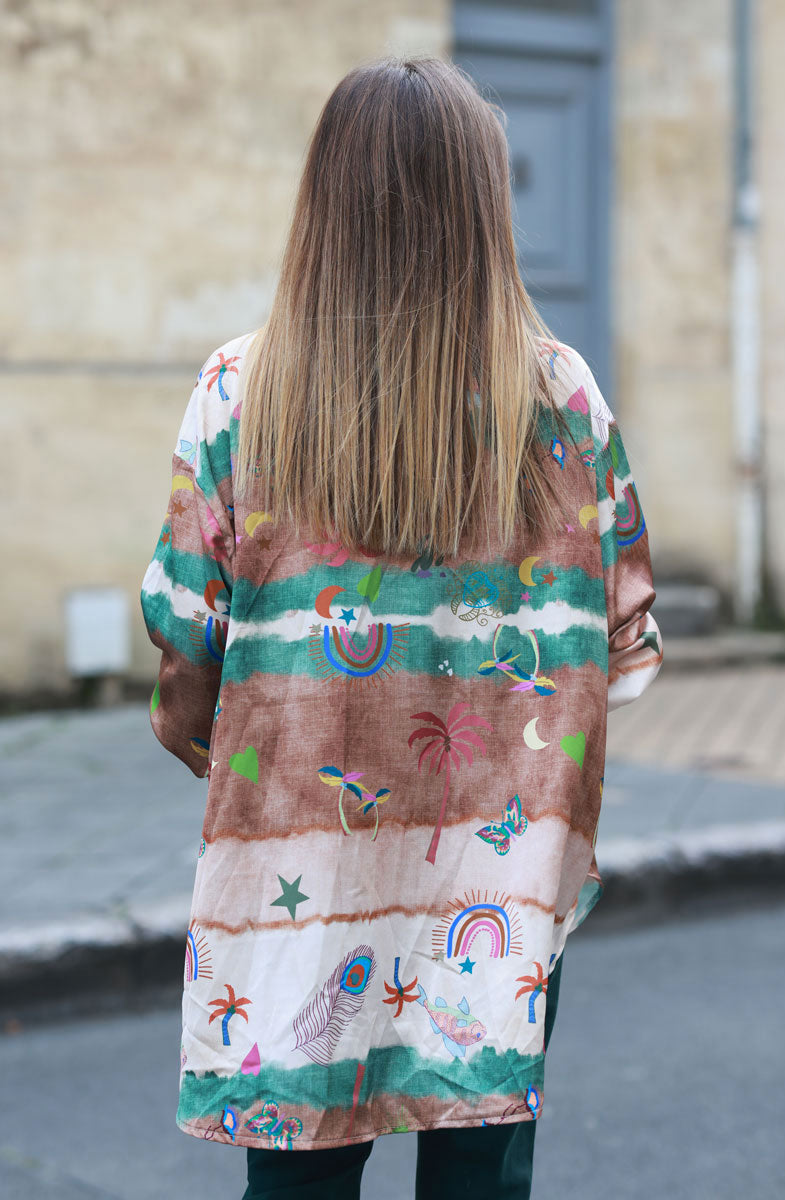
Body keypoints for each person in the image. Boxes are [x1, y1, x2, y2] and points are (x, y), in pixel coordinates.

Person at [140, 53, 663, 1200]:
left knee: (296, 1188)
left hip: (301, 874)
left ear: (324, 200)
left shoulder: (240, 391)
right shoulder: (564, 400)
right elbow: (623, 650)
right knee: (479, 1177)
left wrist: (228, 732)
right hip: (501, 879)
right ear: (485, 204)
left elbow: (185, 644)